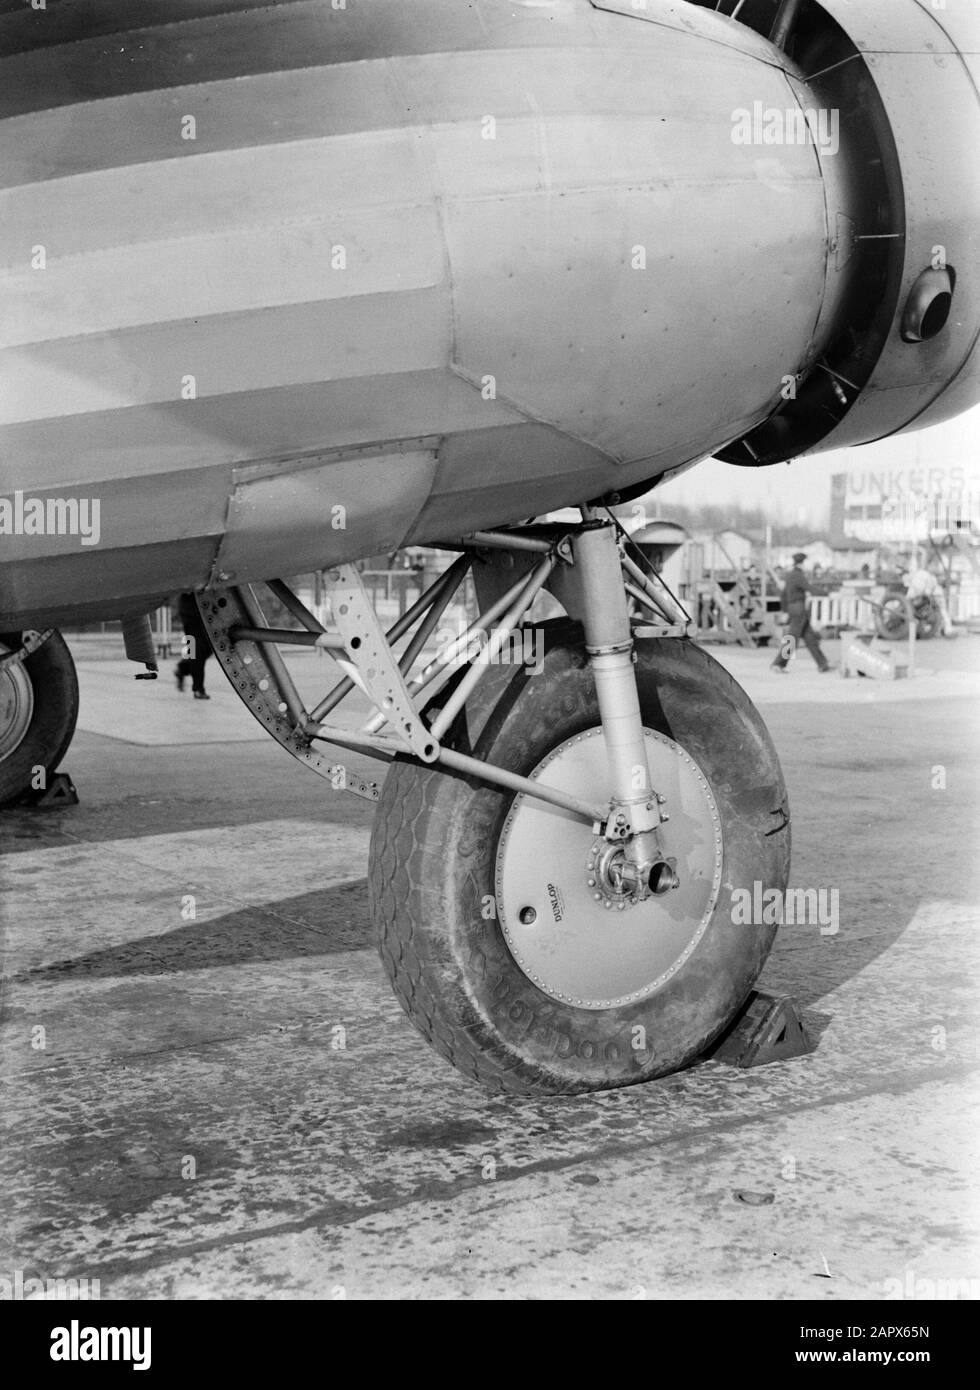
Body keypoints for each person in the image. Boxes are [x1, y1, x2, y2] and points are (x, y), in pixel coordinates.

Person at [771, 552, 832, 673]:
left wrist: (785, 610)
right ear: (802, 563)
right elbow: (809, 588)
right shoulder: (798, 575)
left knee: (810, 638)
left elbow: (783, 595)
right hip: (799, 609)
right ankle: (778, 664)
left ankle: (822, 664)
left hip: (794, 609)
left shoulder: (790, 575)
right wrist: (826, 594)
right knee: (792, 638)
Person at [174, 591, 214, 698]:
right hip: (191, 613)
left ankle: (183, 668)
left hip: (204, 612)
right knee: (197, 651)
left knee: (207, 648)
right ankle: (198, 689)